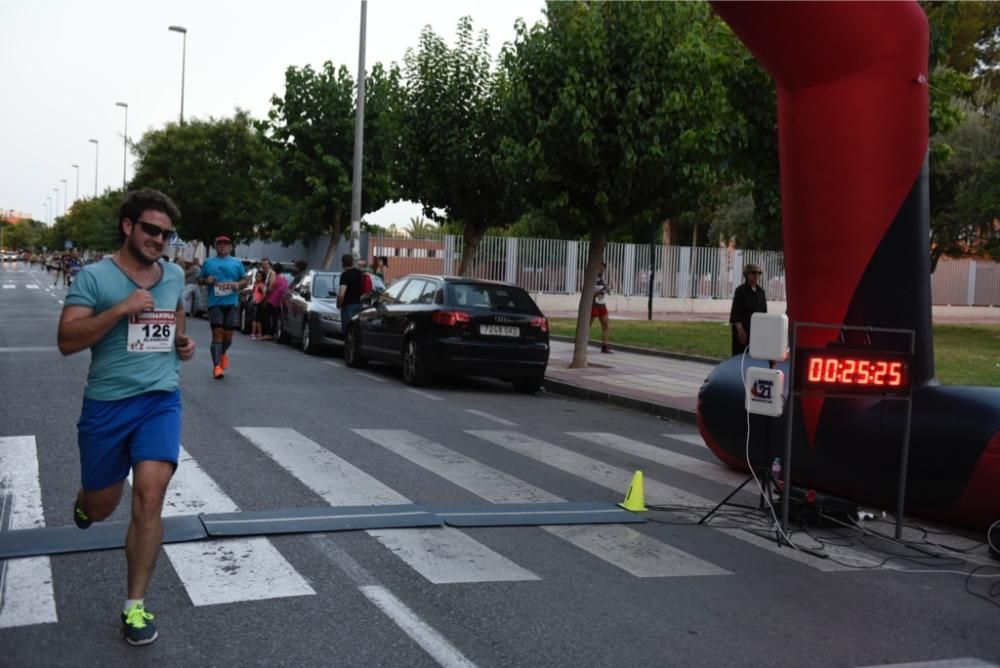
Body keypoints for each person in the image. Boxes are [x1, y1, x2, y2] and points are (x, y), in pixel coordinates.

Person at [57, 188, 195, 646]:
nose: (159, 239)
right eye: (151, 230)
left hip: (160, 400)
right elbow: (67, 340)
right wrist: (120, 310)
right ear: (128, 226)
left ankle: (134, 606)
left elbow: (174, 317)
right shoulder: (95, 279)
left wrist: (182, 343)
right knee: (101, 507)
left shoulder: (173, 274)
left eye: (166, 233)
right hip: (108, 404)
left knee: (151, 496)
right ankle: (84, 500)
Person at [198, 235, 246, 378]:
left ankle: (222, 352)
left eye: (226, 244)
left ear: (230, 247)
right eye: (220, 244)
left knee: (228, 338)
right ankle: (217, 366)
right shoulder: (208, 263)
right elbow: (199, 280)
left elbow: (244, 280)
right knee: (217, 334)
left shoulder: (237, 263)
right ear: (215, 246)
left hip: (231, 303)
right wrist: (207, 280)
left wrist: (238, 284)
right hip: (215, 303)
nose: (223, 247)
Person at [729, 262, 768, 356]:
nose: (757, 275)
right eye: (754, 272)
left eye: (759, 273)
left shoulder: (761, 291)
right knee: (741, 355)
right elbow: (736, 312)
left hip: (756, 331)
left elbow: (764, 312)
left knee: (754, 356)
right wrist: (740, 330)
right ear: (746, 274)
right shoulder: (740, 291)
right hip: (743, 330)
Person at [590, 262, 612, 353]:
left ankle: (605, 346)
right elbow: (589, 293)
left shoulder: (602, 280)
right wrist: (600, 291)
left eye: (603, 270)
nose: (602, 271)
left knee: (606, 324)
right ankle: (582, 344)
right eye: (601, 269)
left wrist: (607, 289)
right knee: (587, 325)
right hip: (593, 305)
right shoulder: (591, 279)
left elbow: (608, 292)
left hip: (602, 304)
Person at [337, 254, 364, 326]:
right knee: (356, 329)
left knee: (347, 329)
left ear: (343, 263)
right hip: (359, 304)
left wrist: (338, 305)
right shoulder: (359, 273)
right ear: (352, 262)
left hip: (348, 306)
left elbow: (341, 295)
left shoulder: (345, 275)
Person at [265, 262, 289, 340]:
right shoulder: (284, 279)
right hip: (279, 300)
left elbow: (270, 288)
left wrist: (267, 292)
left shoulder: (275, 277)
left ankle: (269, 333)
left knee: (268, 316)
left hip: (272, 299)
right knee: (276, 317)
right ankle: (274, 332)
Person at [250, 269, 266, 340]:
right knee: (257, 319)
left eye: (259, 276)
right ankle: (259, 333)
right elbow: (253, 292)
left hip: (258, 303)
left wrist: (259, 301)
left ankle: (254, 333)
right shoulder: (257, 284)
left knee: (255, 319)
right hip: (255, 302)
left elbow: (264, 294)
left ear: (262, 278)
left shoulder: (261, 285)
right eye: (256, 276)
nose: (257, 278)